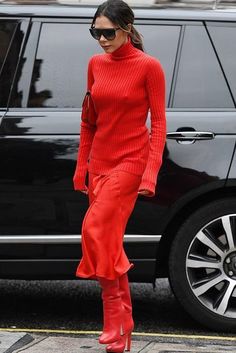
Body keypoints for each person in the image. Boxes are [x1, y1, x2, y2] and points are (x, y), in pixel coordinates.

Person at [73, 0, 166, 352]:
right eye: (95, 32)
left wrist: (150, 174)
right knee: (107, 241)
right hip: (99, 164)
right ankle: (120, 327)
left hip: (130, 162)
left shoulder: (149, 67)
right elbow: (88, 122)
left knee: (94, 230)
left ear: (127, 28)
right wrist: (81, 168)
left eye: (108, 32)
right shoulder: (95, 64)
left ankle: (115, 318)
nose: (101, 39)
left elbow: (158, 124)